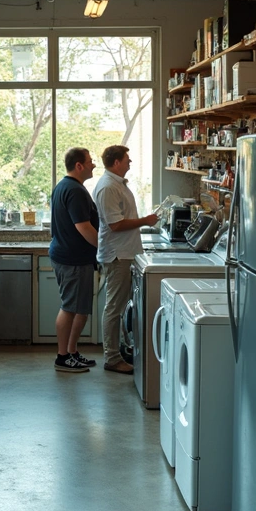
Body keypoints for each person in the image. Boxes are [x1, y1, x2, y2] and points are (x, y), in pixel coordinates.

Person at [93, 145, 158, 374]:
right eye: (127, 159)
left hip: (124, 253)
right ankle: (112, 358)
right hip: (117, 254)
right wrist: (145, 221)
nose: (130, 162)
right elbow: (115, 224)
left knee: (118, 307)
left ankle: (120, 350)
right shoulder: (108, 187)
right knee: (113, 308)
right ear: (116, 162)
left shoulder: (117, 184)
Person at [48, 147, 100, 373]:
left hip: (70, 255)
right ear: (79, 165)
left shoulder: (64, 186)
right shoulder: (75, 191)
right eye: (90, 161)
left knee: (80, 308)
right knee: (70, 307)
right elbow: (84, 228)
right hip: (73, 258)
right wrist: (105, 247)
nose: (93, 165)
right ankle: (62, 357)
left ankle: (71, 352)